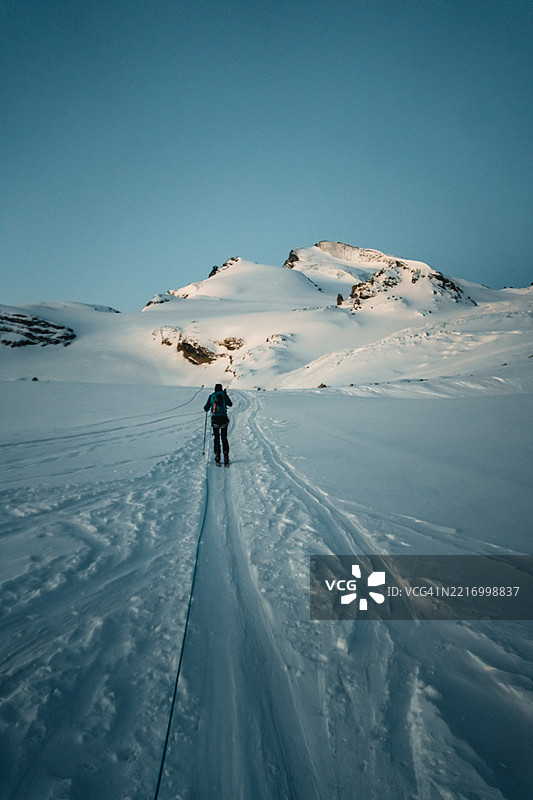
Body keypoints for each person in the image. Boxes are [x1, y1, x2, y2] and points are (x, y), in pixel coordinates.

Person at [203, 383, 233, 465]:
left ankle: (217, 455)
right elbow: (230, 404)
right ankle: (226, 455)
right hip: (223, 419)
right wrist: (225, 395)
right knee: (224, 437)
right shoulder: (223, 395)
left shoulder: (212, 396)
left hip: (215, 419)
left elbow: (206, 408)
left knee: (216, 438)